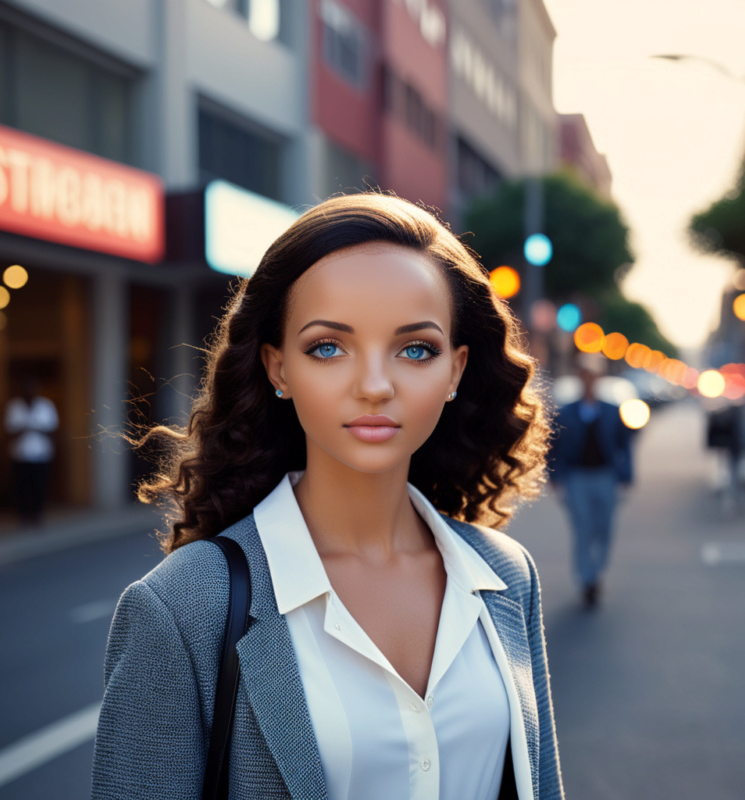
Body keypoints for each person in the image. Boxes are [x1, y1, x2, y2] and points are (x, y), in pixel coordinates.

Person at [91, 194, 564, 800]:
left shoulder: (505, 576)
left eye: (415, 349)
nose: (374, 385)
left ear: (455, 370)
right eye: (328, 347)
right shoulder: (182, 607)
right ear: (278, 367)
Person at [549, 356, 633, 608]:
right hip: (577, 478)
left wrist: (626, 475)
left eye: (593, 376)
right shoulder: (566, 412)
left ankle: (596, 570)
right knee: (583, 528)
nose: (589, 380)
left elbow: (624, 445)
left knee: (605, 527)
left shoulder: (611, 410)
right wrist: (555, 477)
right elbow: (553, 448)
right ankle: (588, 579)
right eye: (584, 375)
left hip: (606, 476)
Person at [4, 378, 59, 525]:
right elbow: (8, 431)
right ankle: (23, 515)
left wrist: (36, 428)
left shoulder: (46, 406)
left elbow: (53, 429)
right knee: (21, 486)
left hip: (40, 454)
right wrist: (23, 428)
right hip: (20, 454)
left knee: (39, 485)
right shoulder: (14, 406)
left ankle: (37, 514)